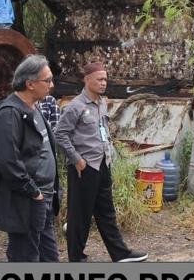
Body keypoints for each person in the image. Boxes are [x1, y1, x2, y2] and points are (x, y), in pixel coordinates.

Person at [0, 55, 78, 280]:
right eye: (47, 80)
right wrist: (32, 191)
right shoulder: (9, 112)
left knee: (48, 259)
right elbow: (7, 161)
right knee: (23, 263)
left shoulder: (34, 108)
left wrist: (49, 193)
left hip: (43, 200)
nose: (52, 84)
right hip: (25, 201)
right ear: (29, 83)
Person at [54, 60, 147, 263]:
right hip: (84, 168)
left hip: (102, 164)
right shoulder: (75, 107)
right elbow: (60, 135)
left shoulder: (102, 104)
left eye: (105, 79)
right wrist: (77, 160)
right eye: (99, 79)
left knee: (107, 212)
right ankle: (76, 257)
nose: (104, 83)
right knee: (80, 216)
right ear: (87, 80)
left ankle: (120, 254)